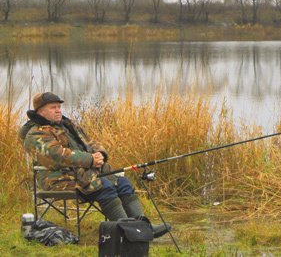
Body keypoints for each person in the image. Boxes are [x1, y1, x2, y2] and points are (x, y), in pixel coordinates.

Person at [18, 92, 170, 238]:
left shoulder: (67, 126)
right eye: (53, 108)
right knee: (102, 184)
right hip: (57, 179)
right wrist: (90, 160)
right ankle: (128, 231)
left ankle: (144, 228)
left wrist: (100, 155)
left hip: (82, 174)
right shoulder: (36, 134)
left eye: (59, 107)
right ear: (40, 111)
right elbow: (58, 157)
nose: (58, 111)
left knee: (122, 182)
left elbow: (90, 142)